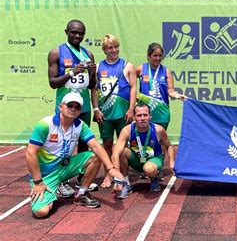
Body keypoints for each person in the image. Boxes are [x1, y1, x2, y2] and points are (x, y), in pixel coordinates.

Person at [25, 92, 125, 218]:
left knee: (94, 157)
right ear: (61, 106)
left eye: (77, 107)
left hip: (65, 167)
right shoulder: (45, 124)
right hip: (46, 174)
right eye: (70, 105)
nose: (73, 109)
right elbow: (30, 152)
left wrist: (111, 169)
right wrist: (38, 182)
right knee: (42, 212)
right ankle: (53, 188)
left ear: (80, 111)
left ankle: (81, 194)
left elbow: (95, 146)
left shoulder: (80, 125)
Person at [47, 19, 97, 196]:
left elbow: (92, 85)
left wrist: (92, 73)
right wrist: (72, 72)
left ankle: (82, 177)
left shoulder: (88, 54)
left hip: (83, 107)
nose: (77, 35)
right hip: (65, 108)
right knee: (62, 143)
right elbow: (52, 83)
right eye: (74, 32)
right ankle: (61, 180)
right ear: (66, 31)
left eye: (81, 33)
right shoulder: (56, 53)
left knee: (84, 142)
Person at [91, 34, 137, 188]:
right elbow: (94, 89)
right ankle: (108, 175)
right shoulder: (98, 67)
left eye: (116, 46)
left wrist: (131, 109)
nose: (114, 50)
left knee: (123, 146)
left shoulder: (127, 66)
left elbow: (133, 88)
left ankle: (124, 177)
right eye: (110, 47)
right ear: (104, 50)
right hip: (105, 114)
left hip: (123, 113)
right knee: (107, 144)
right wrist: (96, 109)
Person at [111, 103, 175, 197]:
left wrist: (172, 161)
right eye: (139, 115)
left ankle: (154, 177)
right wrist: (117, 178)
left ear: (150, 116)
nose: (142, 118)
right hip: (137, 160)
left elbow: (169, 146)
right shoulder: (127, 130)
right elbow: (115, 153)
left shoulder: (158, 130)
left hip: (153, 160)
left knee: (148, 169)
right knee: (122, 152)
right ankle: (125, 183)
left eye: (145, 115)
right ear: (134, 117)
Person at [136, 43, 186, 130]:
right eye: (155, 55)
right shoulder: (141, 69)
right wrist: (135, 96)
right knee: (146, 140)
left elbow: (170, 91)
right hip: (144, 113)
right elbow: (130, 84)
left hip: (161, 113)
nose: (158, 58)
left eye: (160, 56)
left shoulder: (166, 71)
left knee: (159, 140)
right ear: (148, 56)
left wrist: (178, 96)